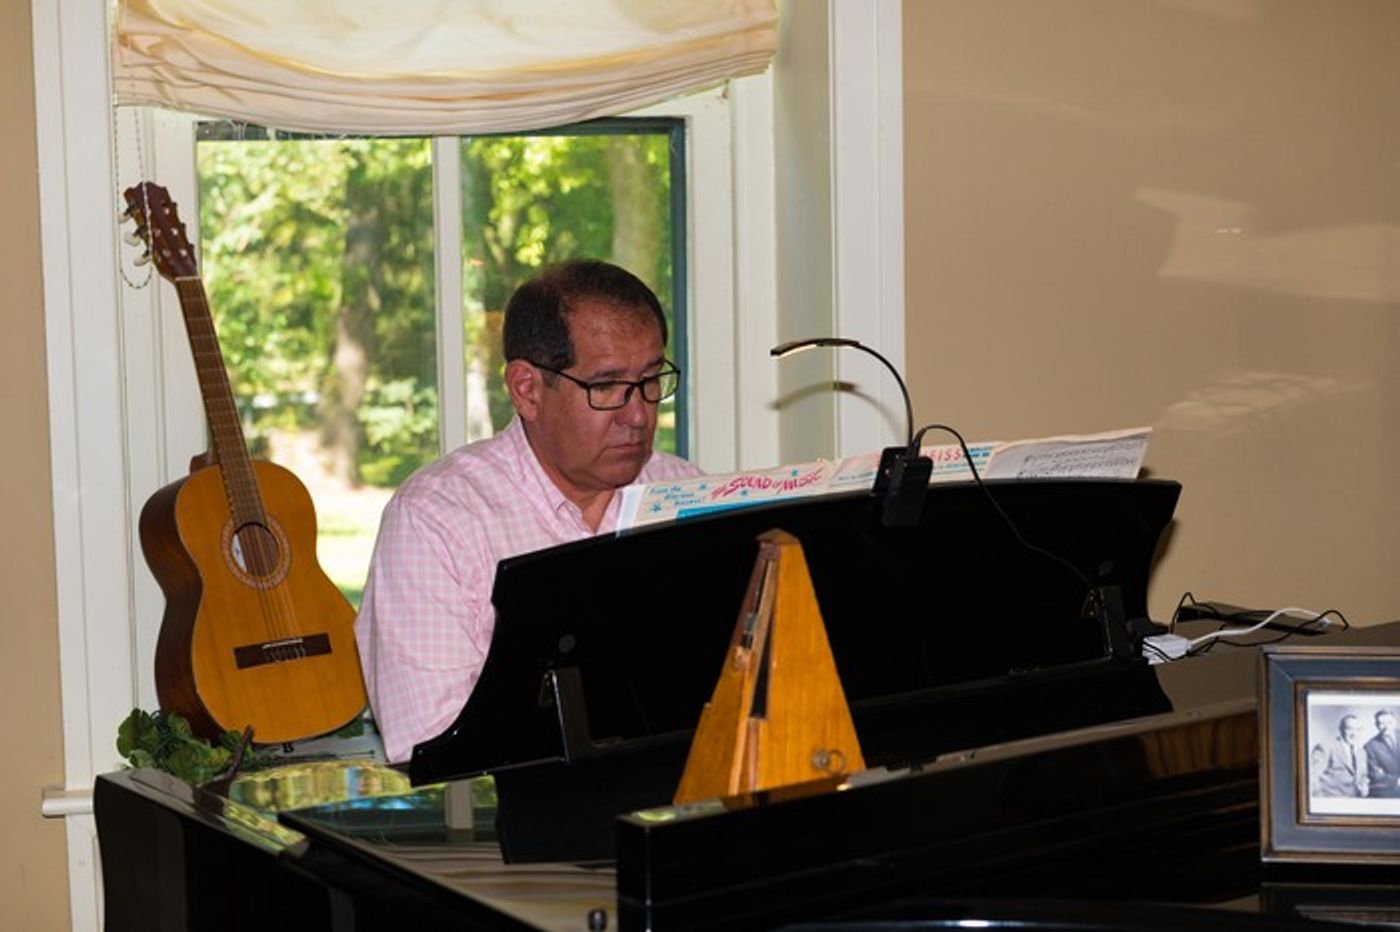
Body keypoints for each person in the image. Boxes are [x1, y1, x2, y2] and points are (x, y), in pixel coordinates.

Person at [355, 259, 701, 762]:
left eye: (651, 379)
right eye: (605, 387)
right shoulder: (435, 521)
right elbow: (429, 749)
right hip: (512, 825)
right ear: (527, 389)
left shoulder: (684, 489)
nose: (639, 414)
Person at [1316, 713, 1368, 798]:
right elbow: (1312, 778)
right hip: (1332, 802)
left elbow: (1363, 776)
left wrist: (1365, 787)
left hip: (1355, 803)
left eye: (1358, 729)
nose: (1354, 733)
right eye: (1349, 729)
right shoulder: (1325, 747)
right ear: (1341, 729)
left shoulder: (1362, 752)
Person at [1364, 708, 1400, 798]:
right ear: (1376, 726)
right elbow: (1376, 774)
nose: (1386, 727)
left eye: (1389, 723)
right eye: (1382, 724)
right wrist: (1396, 780)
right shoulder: (1370, 746)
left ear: (1395, 723)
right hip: (1388, 790)